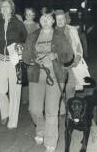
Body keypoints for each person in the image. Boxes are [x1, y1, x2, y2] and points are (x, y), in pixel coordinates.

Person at [23, 13, 73, 152]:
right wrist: (33, 60)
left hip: (55, 76)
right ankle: (40, 130)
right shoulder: (32, 35)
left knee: (51, 110)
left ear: (53, 21)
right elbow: (26, 56)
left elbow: (69, 55)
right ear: (39, 21)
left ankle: (50, 140)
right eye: (43, 19)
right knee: (34, 109)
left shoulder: (59, 35)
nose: (46, 21)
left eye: (48, 19)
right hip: (36, 75)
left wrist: (56, 55)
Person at [0, 0, 27, 129]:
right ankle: (5, 112)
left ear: (12, 9)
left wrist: (19, 47)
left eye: (7, 6)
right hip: (0, 60)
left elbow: (24, 39)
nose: (5, 9)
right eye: (2, 7)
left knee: (15, 91)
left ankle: (13, 120)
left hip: (14, 60)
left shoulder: (18, 24)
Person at [54, 9, 83, 115]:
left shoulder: (72, 30)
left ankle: (69, 110)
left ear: (65, 19)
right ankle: (62, 109)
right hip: (59, 65)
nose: (60, 21)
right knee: (60, 88)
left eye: (62, 19)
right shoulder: (52, 31)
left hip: (72, 63)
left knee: (70, 87)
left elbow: (78, 45)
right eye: (58, 19)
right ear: (55, 20)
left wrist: (78, 56)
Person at [22, 7, 40, 104]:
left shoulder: (37, 25)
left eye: (31, 14)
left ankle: (33, 96)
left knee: (33, 74)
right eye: (27, 14)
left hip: (34, 52)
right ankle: (24, 97)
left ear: (34, 15)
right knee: (24, 75)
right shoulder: (21, 25)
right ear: (25, 14)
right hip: (24, 52)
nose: (29, 16)